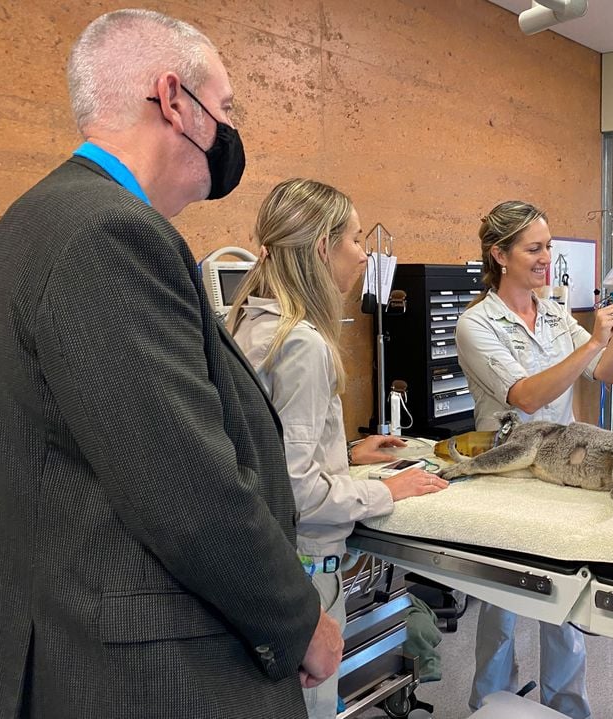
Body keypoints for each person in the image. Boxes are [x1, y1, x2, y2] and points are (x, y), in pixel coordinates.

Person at [0, 10, 343, 718]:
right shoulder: (108, 233)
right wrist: (298, 620)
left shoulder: (33, 223)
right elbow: (187, 487)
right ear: (173, 100)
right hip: (153, 669)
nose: (229, 130)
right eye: (225, 108)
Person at [227, 178, 449, 718]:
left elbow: (264, 456)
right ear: (323, 247)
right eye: (355, 239)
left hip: (259, 573)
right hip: (305, 574)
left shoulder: (246, 325)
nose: (364, 253)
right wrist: (387, 491)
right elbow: (298, 492)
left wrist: (348, 454)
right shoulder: (302, 345)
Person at [455, 200, 613, 718]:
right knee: (500, 605)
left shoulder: (553, 313)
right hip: (505, 471)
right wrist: (590, 340)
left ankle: (568, 708)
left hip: (560, 469)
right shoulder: (476, 324)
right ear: (500, 254)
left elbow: (607, 371)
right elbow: (525, 397)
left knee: (563, 600)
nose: (546, 258)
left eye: (549, 246)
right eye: (534, 248)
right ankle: (489, 706)